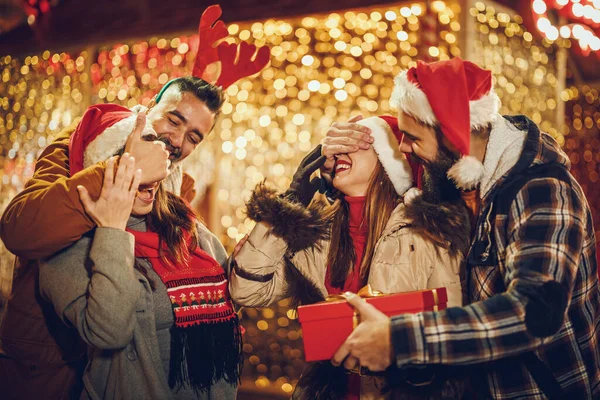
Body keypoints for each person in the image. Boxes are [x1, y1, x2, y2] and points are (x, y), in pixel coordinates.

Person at [329, 57, 600, 399]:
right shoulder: (467, 185)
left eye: (413, 138)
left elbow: (534, 312)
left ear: (455, 136)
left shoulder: (543, 190)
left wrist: (401, 339)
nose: (403, 148)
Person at [0, 76, 226, 399]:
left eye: (193, 137)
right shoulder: (84, 141)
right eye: (174, 120)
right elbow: (18, 228)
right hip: (47, 363)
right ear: (149, 108)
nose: (177, 140)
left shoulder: (172, 187)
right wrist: (121, 170)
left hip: (116, 373)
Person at [229, 115, 469, 399]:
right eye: (337, 145)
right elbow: (247, 291)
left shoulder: (429, 233)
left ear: (389, 159)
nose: (339, 152)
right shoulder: (318, 235)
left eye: (355, 142)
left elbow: (453, 332)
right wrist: (287, 205)